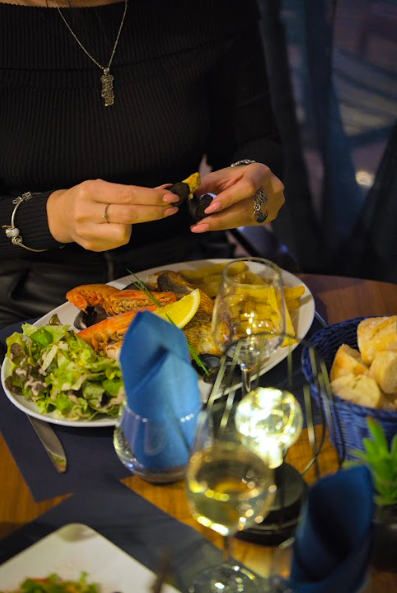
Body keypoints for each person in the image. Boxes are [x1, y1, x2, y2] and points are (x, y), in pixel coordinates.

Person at [0, 0, 285, 328]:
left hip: (186, 279)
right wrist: (50, 217)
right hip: (23, 301)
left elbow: (257, 141)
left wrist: (255, 185)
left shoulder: (210, 10)